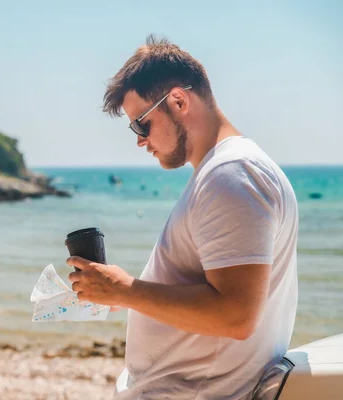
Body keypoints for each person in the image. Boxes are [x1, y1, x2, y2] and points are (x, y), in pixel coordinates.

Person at [67, 36, 299, 399]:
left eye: (141, 125)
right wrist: (123, 293)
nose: (140, 140)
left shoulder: (232, 174)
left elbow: (235, 315)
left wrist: (126, 290)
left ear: (178, 100)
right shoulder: (224, 171)